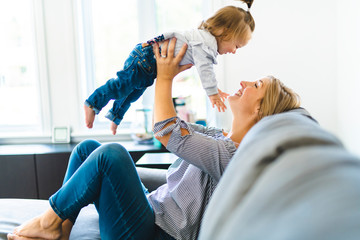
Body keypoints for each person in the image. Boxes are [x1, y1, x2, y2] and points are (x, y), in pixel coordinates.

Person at [8, 38, 300, 240]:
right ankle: (60, 227)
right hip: (151, 213)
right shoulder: (217, 136)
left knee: (112, 155)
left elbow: (166, 131)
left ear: (262, 108)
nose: (244, 83)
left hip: (156, 233)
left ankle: (49, 219)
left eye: (256, 85)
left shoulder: (235, 156)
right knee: (89, 150)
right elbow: (168, 131)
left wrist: (165, 76)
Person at [84, 0, 256, 135]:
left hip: (148, 65)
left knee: (132, 93)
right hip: (146, 59)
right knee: (121, 87)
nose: (234, 52)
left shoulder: (203, 42)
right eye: (236, 46)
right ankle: (93, 103)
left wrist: (215, 89)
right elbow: (205, 71)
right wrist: (213, 94)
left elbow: (205, 71)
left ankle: (115, 116)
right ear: (225, 32)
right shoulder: (205, 44)